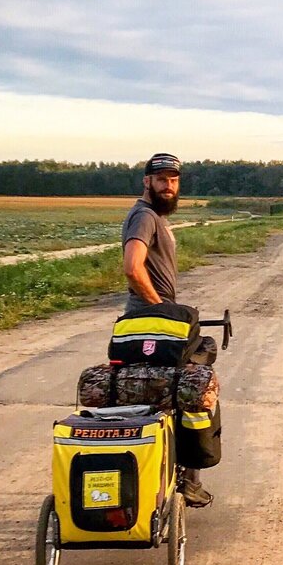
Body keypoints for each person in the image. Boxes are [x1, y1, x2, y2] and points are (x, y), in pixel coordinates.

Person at [121, 153, 213, 508]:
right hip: (150, 320)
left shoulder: (153, 217)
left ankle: (155, 471)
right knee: (197, 386)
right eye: (161, 179)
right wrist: (161, 309)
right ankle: (191, 479)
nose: (168, 185)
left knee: (153, 393)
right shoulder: (144, 217)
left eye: (173, 180)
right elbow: (132, 267)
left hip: (147, 318)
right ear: (147, 181)